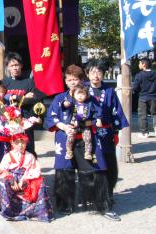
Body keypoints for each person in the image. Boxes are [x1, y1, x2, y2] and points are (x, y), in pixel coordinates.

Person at [46, 64, 119, 221]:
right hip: (65, 139)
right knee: (64, 171)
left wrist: (88, 123)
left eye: (76, 79)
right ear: (65, 81)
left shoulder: (90, 98)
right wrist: (64, 127)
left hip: (87, 140)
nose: (72, 82)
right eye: (69, 79)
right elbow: (51, 118)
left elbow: (99, 117)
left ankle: (102, 205)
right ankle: (65, 203)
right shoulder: (60, 98)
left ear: (81, 81)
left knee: (95, 170)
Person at [86, 60, 128, 200]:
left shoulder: (109, 91)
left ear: (103, 74)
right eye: (92, 72)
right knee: (91, 164)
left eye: (99, 72)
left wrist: (116, 132)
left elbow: (116, 112)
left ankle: (108, 193)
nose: (96, 75)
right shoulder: (83, 90)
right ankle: (91, 195)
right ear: (87, 74)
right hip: (88, 134)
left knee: (108, 163)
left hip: (106, 132)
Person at [0, 129, 54, 222]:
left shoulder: (30, 156)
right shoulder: (7, 156)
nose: (20, 145)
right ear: (12, 144)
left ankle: (39, 212)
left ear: (26, 143)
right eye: (17, 143)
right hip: (12, 180)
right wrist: (11, 179)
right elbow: (1, 169)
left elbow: (35, 169)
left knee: (41, 183)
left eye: (23, 142)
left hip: (26, 179)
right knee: (2, 183)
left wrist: (25, 179)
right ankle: (9, 211)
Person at [2, 52, 44, 154]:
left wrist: (15, 97)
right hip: (10, 123)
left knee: (28, 148)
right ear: (7, 67)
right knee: (11, 150)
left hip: (26, 121)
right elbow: (1, 99)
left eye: (16, 65)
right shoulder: (4, 83)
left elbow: (35, 99)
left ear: (21, 65)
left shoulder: (29, 82)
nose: (15, 68)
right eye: (12, 66)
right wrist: (24, 97)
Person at [64, 85, 103, 161]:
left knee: (88, 138)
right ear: (73, 94)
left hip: (85, 123)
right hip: (74, 123)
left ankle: (88, 152)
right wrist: (65, 104)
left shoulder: (90, 103)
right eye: (78, 94)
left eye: (83, 94)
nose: (80, 96)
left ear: (87, 95)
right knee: (70, 137)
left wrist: (98, 119)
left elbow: (97, 111)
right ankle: (69, 151)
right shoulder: (72, 102)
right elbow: (65, 110)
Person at [132, 57, 156, 137]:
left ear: (144, 65)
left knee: (143, 115)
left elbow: (135, 87)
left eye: (140, 63)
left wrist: (134, 91)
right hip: (154, 97)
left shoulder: (139, 75)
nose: (139, 65)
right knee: (155, 114)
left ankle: (144, 132)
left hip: (143, 97)